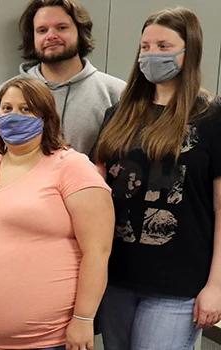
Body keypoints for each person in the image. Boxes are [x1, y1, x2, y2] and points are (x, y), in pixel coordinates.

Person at [0, 77, 112, 350]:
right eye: (6, 108)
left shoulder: (73, 167)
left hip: (42, 342)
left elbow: (98, 251)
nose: (13, 116)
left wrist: (83, 318)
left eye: (26, 109)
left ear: (46, 117)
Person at [93, 8, 221, 349]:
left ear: (189, 50)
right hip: (116, 276)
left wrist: (216, 286)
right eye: (145, 46)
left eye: (164, 46)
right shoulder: (117, 115)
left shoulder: (212, 117)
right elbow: (96, 191)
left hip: (177, 285)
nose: (151, 54)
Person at [0, 0, 124, 158]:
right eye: (42, 30)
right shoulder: (8, 94)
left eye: (61, 28)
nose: (51, 36)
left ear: (80, 32)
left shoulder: (116, 92)